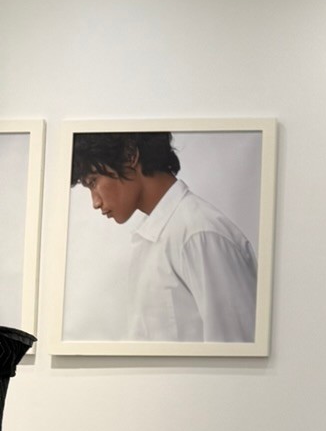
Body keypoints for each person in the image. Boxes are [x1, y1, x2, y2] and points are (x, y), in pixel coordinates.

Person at [71, 131, 258, 342]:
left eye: (93, 182)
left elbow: (237, 350)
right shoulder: (153, 237)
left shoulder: (200, 235)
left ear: (130, 155)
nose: (95, 202)